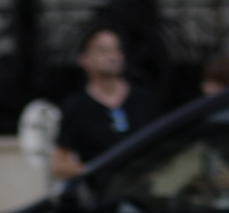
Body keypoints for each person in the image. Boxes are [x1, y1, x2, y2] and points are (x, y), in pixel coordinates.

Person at [50, 26, 160, 182]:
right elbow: (58, 164)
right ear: (85, 60)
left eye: (116, 49)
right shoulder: (76, 107)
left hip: (141, 194)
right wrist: (92, 171)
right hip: (99, 199)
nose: (112, 56)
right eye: (103, 50)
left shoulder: (144, 99)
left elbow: (161, 146)